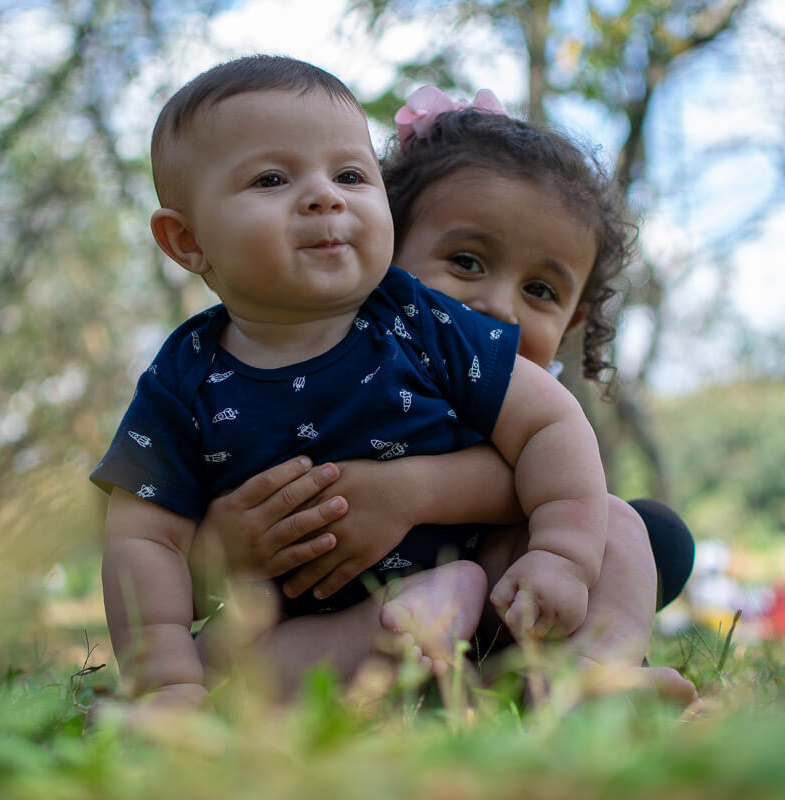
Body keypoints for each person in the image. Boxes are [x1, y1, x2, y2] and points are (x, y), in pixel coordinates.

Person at [91, 56, 614, 710]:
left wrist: (563, 556)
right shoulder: (182, 378)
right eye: (273, 178)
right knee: (237, 671)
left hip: (489, 584)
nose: (324, 195)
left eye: (348, 174)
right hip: (315, 625)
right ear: (188, 241)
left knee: (612, 528)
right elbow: (141, 541)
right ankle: (428, 672)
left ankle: (594, 674)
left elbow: (551, 422)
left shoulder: (421, 319)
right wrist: (166, 677)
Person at [188, 84, 697, 703]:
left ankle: (586, 674)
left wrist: (409, 492)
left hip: (501, 603)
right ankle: (416, 686)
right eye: (467, 261)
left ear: (572, 322)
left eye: (540, 291)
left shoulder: (530, 399)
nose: (497, 305)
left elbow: (551, 473)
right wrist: (219, 543)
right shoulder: (327, 350)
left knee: (623, 526)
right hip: (333, 612)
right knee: (225, 655)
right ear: (382, 243)